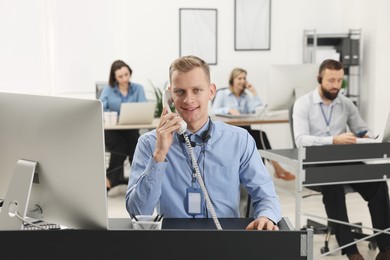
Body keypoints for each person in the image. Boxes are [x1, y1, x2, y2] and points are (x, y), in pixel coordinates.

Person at [125, 55, 281, 230]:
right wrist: (159, 156)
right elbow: (138, 212)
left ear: (211, 91)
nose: (188, 100)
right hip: (172, 245)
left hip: (225, 242)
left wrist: (266, 216)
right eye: (180, 91)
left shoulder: (239, 140)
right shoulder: (149, 143)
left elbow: (266, 195)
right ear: (170, 95)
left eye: (197, 90)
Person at [293, 59, 390, 260]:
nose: (336, 85)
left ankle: (386, 247)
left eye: (339, 80)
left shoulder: (345, 103)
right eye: (331, 80)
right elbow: (300, 140)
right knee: (333, 186)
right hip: (315, 162)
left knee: (379, 185)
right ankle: (351, 251)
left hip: (344, 159)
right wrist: (333, 140)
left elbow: (363, 128)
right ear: (319, 79)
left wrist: (365, 135)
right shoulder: (303, 104)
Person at [212, 67, 295, 181]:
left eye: (244, 78)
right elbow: (213, 110)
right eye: (239, 78)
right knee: (259, 138)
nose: (242, 81)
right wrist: (228, 110)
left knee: (259, 138)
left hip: (244, 131)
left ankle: (267, 175)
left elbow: (258, 111)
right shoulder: (222, 94)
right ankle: (277, 169)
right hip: (228, 133)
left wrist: (254, 93)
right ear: (232, 80)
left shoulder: (246, 96)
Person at [99, 60, 147, 192]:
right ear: (114, 77)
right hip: (112, 130)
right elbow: (101, 108)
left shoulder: (138, 88)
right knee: (120, 146)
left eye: (127, 74)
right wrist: (114, 116)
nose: (125, 78)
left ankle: (139, 179)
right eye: (121, 76)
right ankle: (109, 181)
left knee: (136, 144)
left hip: (131, 129)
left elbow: (143, 108)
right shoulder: (107, 90)